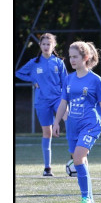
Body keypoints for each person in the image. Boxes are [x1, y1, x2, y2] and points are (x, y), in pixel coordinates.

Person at [52, 41, 101, 203]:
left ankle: (85, 199)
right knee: (81, 161)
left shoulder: (95, 80)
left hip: (90, 125)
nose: (71, 60)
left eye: (75, 57)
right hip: (72, 126)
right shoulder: (69, 79)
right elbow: (63, 103)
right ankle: (90, 200)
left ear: (85, 58)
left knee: (77, 158)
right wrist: (56, 123)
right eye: (70, 57)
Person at [15, 33, 68, 176]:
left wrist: (67, 97)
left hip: (58, 99)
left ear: (53, 46)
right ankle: (47, 168)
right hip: (42, 102)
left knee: (69, 119)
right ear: (40, 45)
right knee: (47, 133)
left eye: (48, 44)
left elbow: (65, 82)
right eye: (43, 44)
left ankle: (75, 156)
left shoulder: (58, 62)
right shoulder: (34, 62)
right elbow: (18, 73)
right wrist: (33, 79)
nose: (46, 46)